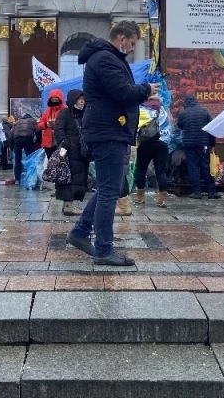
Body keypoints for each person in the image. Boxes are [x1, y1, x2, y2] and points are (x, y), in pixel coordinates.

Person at [67, 21, 157, 266]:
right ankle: (104, 249)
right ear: (121, 38)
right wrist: (146, 90)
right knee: (109, 191)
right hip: (108, 132)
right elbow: (122, 92)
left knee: (112, 187)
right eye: (132, 43)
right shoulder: (105, 59)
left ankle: (80, 232)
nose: (132, 48)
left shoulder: (106, 58)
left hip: (110, 130)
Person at [53, 89, 89, 215]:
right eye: (80, 99)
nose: (82, 102)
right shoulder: (64, 113)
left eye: (83, 99)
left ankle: (70, 204)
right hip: (69, 152)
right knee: (68, 177)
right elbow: (58, 129)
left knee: (79, 178)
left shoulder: (84, 114)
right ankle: (68, 205)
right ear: (73, 100)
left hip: (81, 152)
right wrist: (64, 141)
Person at [133, 91, 171, 208]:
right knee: (161, 171)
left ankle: (140, 197)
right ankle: (162, 199)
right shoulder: (164, 110)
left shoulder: (142, 109)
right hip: (162, 143)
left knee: (141, 170)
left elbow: (136, 127)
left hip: (145, 143)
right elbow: (170, 127)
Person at [177, 95, 216, 200]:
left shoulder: (183, 113)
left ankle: (196, 192)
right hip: (203, 143)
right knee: (205, 166)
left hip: (189, 144)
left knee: (192, 167)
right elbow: (211, 128)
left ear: (186, 103)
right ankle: (211, 192)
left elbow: (179, 125)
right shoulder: (204, 112)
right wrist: (212, 144)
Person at [38, 89, 66, 158]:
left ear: (60, 99)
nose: (54, 101)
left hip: (62, 142)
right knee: (50, 161)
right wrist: (46, 124)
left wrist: (58, 123)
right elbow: (39, 125)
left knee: (62, 161)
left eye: (56, 99)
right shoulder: (47, 111)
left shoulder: (65, 110)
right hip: (49, 143)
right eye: (53, 100)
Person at [10, 113, 37, 185]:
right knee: (30, 158)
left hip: (17, 140)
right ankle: (29, 178)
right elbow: (38, 131)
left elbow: (11, 133)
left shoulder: (18, 121)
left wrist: (12, 147)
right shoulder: (33, 120)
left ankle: (17, 180)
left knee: (17, 160)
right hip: (28, 139)